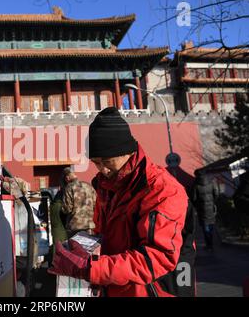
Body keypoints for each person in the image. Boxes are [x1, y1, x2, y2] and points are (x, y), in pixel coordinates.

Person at [48, 107, 196, 297]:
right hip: (118, 286)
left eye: (107, 161)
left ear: (127, 152)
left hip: (154, 291)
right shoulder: (108, 186)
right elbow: (108, 237)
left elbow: (158, 257)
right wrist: (87, 252)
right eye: (96, 162)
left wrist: (90, 269)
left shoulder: (161, 190)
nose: (102, 170)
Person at [61, 167, 97, 238]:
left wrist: (61, 209)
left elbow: (68, 209)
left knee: (75, 248)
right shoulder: (88, 185)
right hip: (90, 225)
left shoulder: (69, 187)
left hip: (75, 226)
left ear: (67, 178)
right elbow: (96, 204)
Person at [191, 169, 219, 251]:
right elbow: (216, 193)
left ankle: (209, 245)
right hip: (211, 207)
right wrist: (213, 201)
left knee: (205, 227)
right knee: (211, 225)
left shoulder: (196, 185)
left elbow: (194, 198)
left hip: (201, 208)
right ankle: (211, 244)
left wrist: (196, 205)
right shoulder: (211, 182)